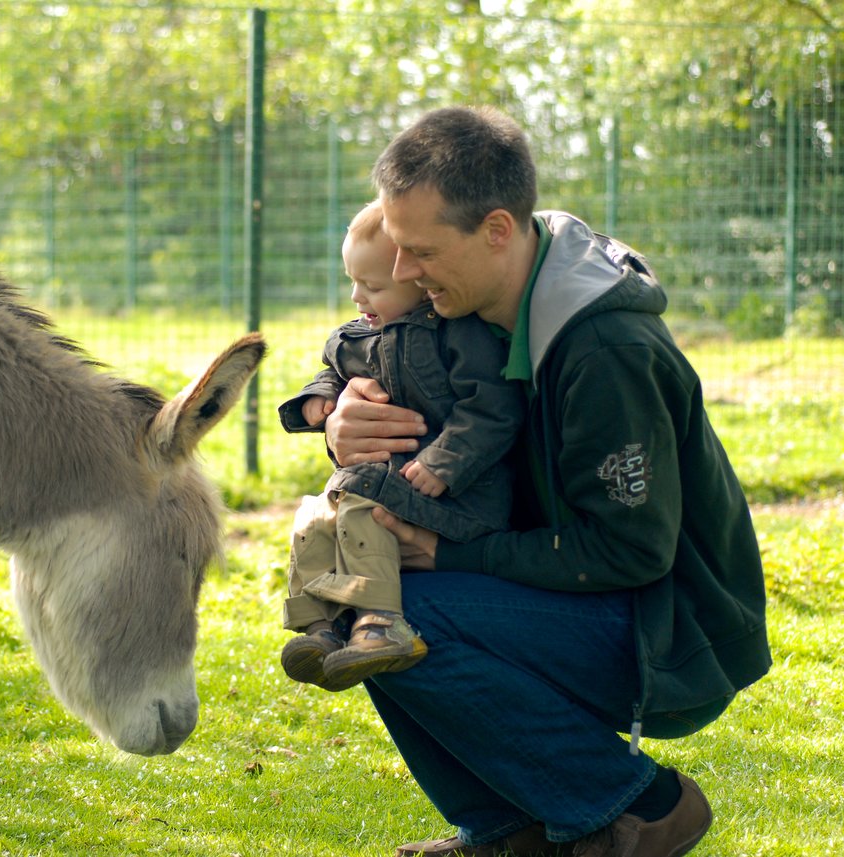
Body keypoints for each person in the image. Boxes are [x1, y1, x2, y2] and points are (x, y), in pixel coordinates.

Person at [319, 106, 771, 857]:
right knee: (357, 615)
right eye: (396, 248)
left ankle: (642, 806)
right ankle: (509, 829)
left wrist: (444, 553)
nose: (400, 273)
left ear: (498, 229)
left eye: (420, 251)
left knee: (400, 615)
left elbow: (629, 552)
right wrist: (337, 419)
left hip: (664, 624)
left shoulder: (604, 349)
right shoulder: (466, 306)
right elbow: (369, 377)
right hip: (576, 591)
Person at [278, 200, 524, 693]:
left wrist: (446, 460)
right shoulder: (358, 334)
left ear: (419, 281)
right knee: (312, 521)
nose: (355, 296)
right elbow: (333, 371)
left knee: (361, 514)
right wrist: (319, 400)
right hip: (382, 478)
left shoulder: (456, 335)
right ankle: (318, 628)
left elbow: (494, 407)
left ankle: (381, 622)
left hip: (451, 493)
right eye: (352, 281)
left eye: (371, 286)